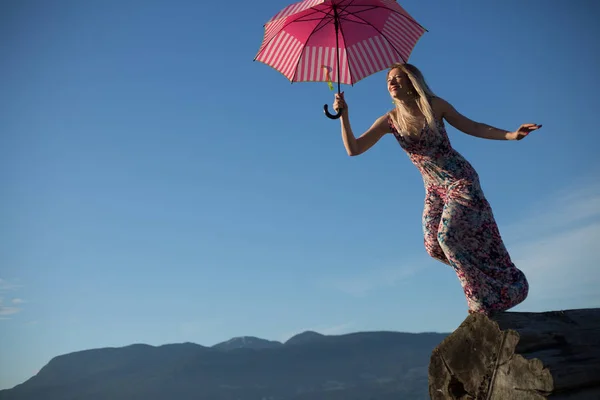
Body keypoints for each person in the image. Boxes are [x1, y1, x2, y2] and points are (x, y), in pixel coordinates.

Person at [333, 63, 541, 316]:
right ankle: (495, 286)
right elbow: (354, 149)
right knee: (434, 245)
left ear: (413, 82)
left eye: (399, 78)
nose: (393, 83)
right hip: (434, 188)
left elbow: (473, 126)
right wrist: (344, 115)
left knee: (447, 237)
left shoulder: (434, 105)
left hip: (459, 180)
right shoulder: (390, 120)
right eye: (389, 80)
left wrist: (511, 135)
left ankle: (479, 304)